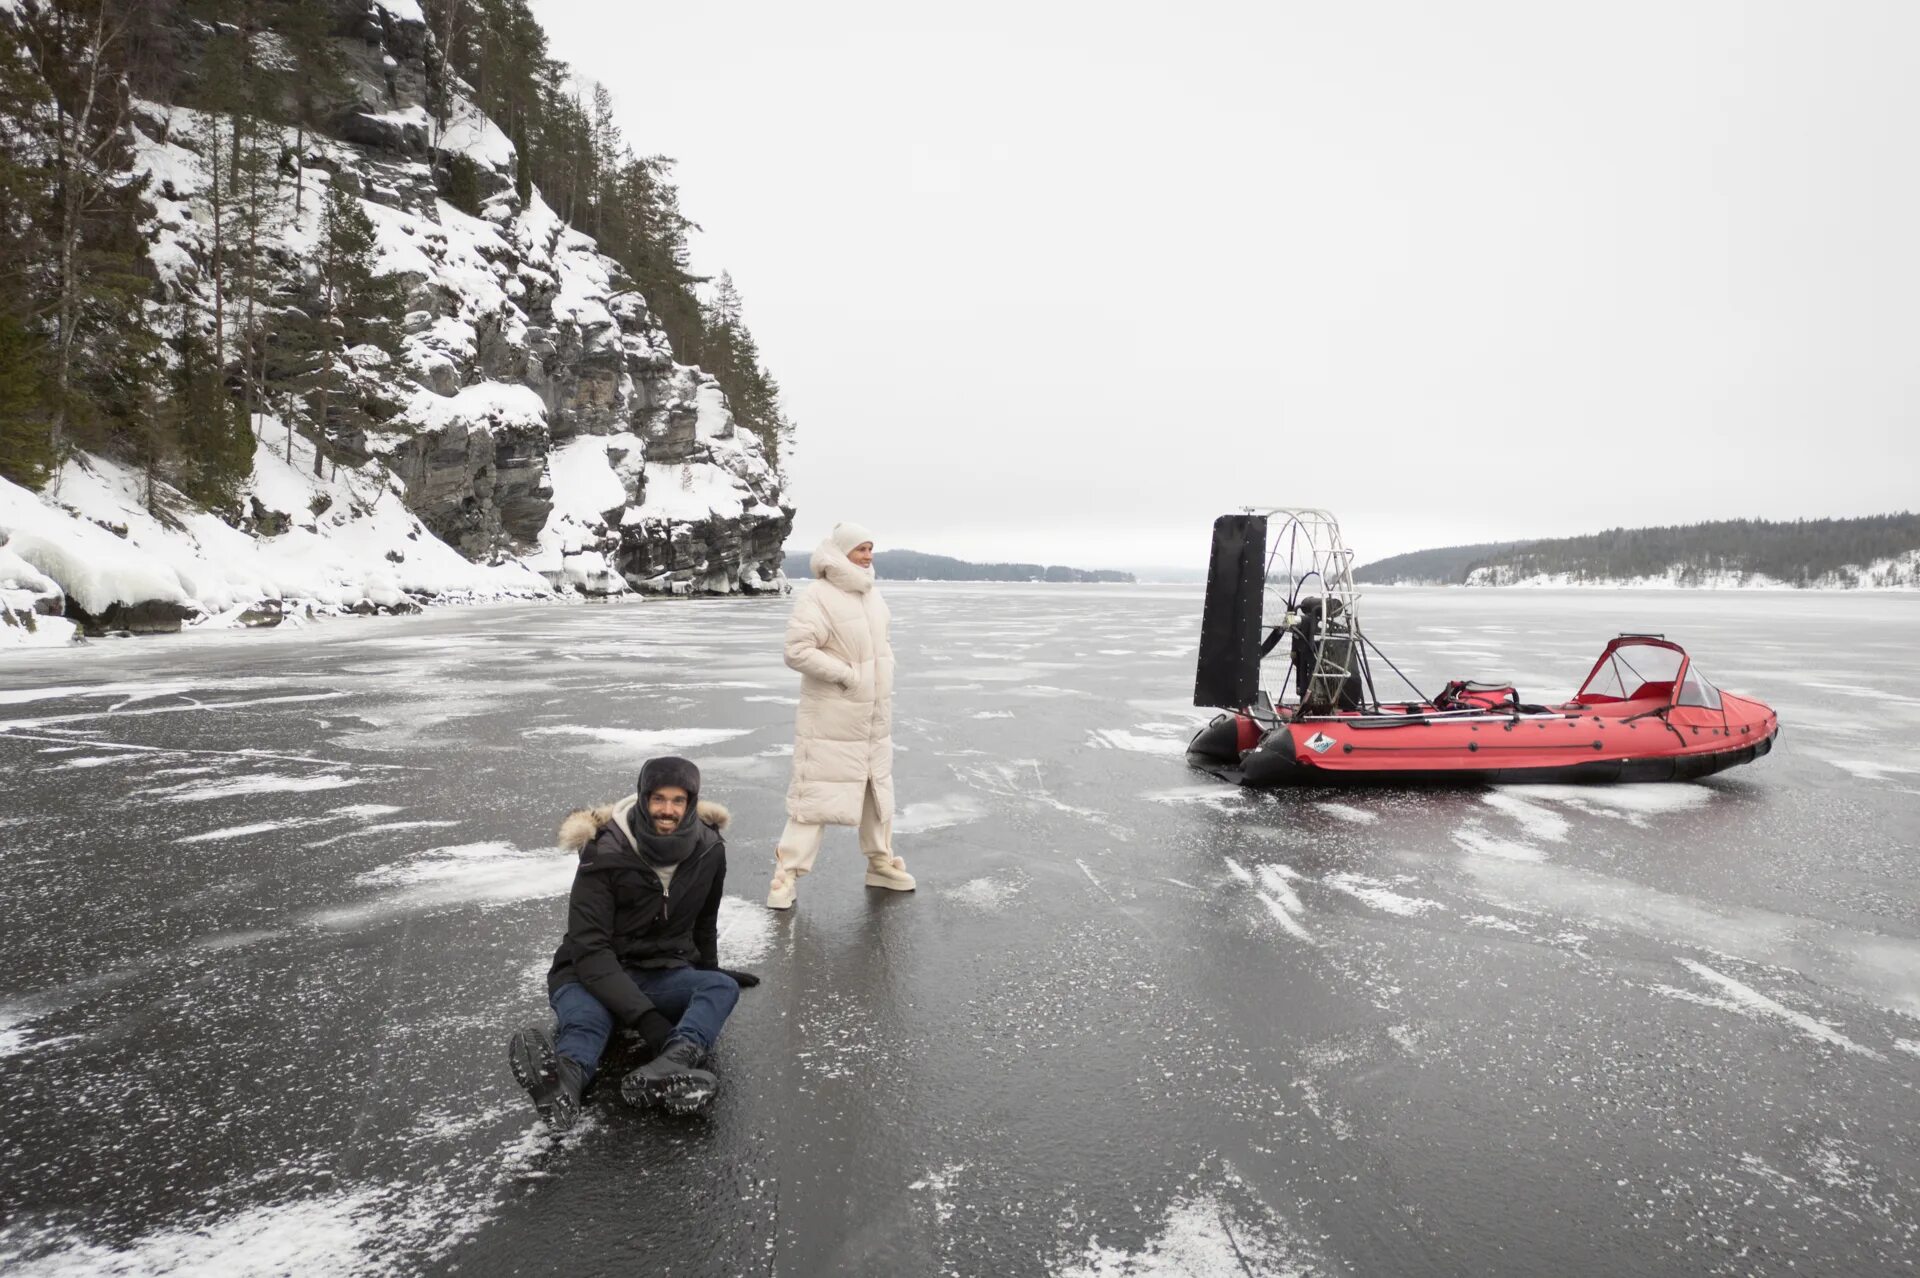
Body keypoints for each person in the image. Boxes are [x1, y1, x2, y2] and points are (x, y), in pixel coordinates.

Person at [508, 756, 760, 1128]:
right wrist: (647, 1021)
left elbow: (704, 922)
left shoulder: (709, 849)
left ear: (691, 803)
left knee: (719, 989)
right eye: (658, 799)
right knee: (588, 1022)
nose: (667, 810)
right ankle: (562, 1085)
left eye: (678, 801)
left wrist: (707, 971)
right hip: (587, 974)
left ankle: (671, 1064)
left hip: (656, 972)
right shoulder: (604, 851)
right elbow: (589, 948)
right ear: (643, 798)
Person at [767, 521, 914, 910]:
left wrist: (882, 676)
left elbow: (881, 648)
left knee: (875, 790)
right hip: (832, 717)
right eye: (860, 549)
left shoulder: (871, 595)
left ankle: (881, 863)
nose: (867, 556)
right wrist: (848, 676)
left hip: (874, 717)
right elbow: (797, 650)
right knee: (816, 794)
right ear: (841, 551)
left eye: (870, 548)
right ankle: (786, 875)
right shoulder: (818, 595)